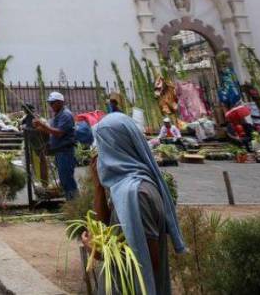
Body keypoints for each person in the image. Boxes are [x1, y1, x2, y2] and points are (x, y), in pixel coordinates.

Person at [86, 113, 186, 295]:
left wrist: (98, 251)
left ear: (114, 148)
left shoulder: (137, 194)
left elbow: (148, 260)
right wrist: (99, 187)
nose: (98, 153)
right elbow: (107, 226)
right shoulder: (125, 186)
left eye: (101, 146)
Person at [34, 91, 78, 200]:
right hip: (60, 152)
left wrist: (42, 125)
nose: (51, 105)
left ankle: (75, 203)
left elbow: (58, 133)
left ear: (60, 102)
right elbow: (50, 128)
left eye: (52, 103)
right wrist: (40, 126)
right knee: (64, 180)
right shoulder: (57, 115)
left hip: (65, 151)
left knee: (67, 179)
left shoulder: (65, 115)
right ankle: (72, 202)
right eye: (50, 103)